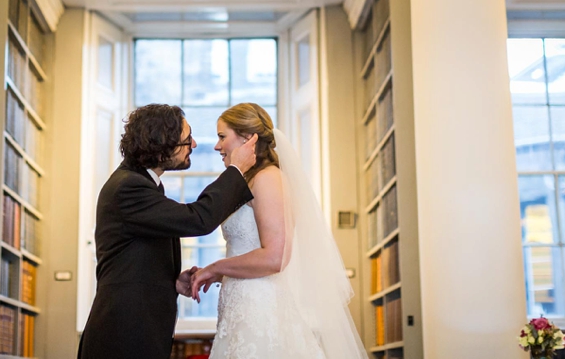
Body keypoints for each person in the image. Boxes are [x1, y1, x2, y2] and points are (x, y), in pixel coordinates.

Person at [77, 103, 257, 359]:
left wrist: (170, 280)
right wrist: (235, 171)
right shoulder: (129, 188)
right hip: (122, 337)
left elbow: (135, 259)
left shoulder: (142, 184)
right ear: (161, 147)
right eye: (187, 140)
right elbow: (199, 219)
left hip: (134, 333)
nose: (194, 145)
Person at [190, 103, 367, 359]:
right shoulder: (246, 182)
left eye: (221, 136)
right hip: (240, 304)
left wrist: (216, 267)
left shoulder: (268, 179)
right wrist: (216, 273)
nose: (217, 146)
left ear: (248, 138)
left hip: (261, 307)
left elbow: (276, 256)